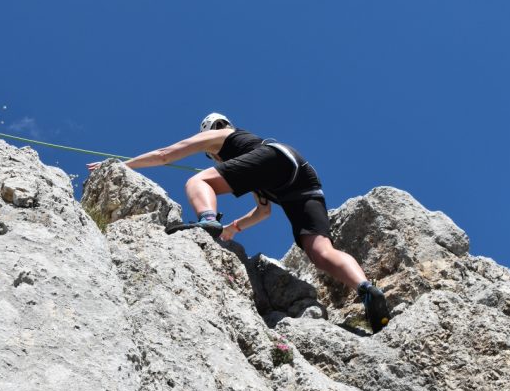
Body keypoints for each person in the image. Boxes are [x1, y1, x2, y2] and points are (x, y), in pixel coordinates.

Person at [87, 113, 390, 331]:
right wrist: (233, 229)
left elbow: (167, 155)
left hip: (276, 159)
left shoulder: (222, 136)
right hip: (303, 181)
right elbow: (264, 212)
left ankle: (206, 218)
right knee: (319, 250)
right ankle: (366, 289)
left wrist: (120, 165)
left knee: (197, 182)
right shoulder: (256, 171)